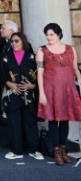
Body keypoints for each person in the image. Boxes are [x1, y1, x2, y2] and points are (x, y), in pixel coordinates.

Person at [36, 23, 81, 165]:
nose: (48, 37)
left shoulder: (70, 49)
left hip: (68, 89)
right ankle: (56, 152)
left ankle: (63, 150)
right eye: (47, 35)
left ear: (58, 34)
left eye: (51, 34)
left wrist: (79, 79)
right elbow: (40, 74)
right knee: (53, 120)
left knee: (65, 119)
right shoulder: (42, 50)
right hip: (51, 90)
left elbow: (75, 69)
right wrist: (41, 93)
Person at [0, 32, 43, 161]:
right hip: (12, 95)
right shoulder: (5, 57)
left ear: (23, 41)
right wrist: (9, 84)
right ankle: (16, 150)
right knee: (14, 123)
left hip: (28, 95)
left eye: (16, 41)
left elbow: (41, 75)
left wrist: (33, 86)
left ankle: (34, 149)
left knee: (30, 122)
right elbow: (1, 75)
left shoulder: (32, 57)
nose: (13, 43)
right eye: (12, 41)